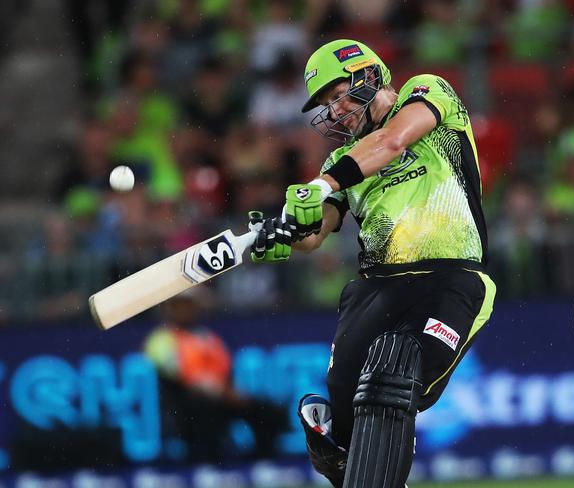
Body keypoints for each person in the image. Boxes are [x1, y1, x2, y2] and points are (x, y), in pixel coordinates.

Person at [249, 39, 497, 488]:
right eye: (327, 105)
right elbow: (318, 233)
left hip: (451, 278)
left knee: (392, 383)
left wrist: (321, 185)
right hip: (375, 290)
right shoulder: (340, 163)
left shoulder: (427, 93)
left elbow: (392, 139)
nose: (336, 112)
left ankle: (386, 433)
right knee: (342, 436)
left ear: (366, 75)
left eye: (338, 95)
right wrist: (284, 233)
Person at [144, 287, 287, 461]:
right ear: (170, 309)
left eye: (190, 305)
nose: (186, 310)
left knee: (265, 407)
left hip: (220, 396)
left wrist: (232, 393)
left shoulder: (207, 337)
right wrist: (218, 391)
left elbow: (225, 369)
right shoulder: (161, 339)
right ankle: (207, 462)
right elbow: (177, 374)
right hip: (185, 401)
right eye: (180, 305)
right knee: (205, 410)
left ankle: (263, 460)